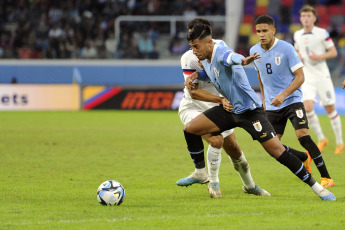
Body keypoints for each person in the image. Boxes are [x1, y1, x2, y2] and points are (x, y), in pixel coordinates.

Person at [184, 20, 335, 200]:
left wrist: (243, 60)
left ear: (209, 43)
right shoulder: (204, 57)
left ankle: (318, 187)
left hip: (250, 112)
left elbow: (231, 58)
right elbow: (210, 70)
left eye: (195, 47)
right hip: (230, 108)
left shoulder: (221, 51)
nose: (194, 51)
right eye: (192, 47)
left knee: (278, 152)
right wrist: (196, 74)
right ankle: (201, 172)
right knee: (191, 129)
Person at [177, 19, 270, 198]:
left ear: (207, 37)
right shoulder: (188, 58)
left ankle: (250, 185)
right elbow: (194, 93)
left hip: (218, 104)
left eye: (196, 39)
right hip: (194, 106)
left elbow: (230, 60)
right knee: (216, 140)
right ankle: (212, 183)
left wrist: (241, 62)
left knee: (233, 148)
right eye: (191, 40)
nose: (193, 45)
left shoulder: (219, 48)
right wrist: (219, 99)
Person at [250, 15, 334, 188]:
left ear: (273, 31)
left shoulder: (286, 49)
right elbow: (260, 74)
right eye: (258, 31)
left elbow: (300, 77)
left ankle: (326, 177)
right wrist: (265, 99)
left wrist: (283, 94)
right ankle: (303, 158)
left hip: (292, 100)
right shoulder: (254, 51)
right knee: (273, 146)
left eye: (265, 30)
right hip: (273, 105)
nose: (261, 34)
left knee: (302, 135)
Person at [294, 5, 344, 154]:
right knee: (307, 108)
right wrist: (298, 56)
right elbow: (296, 50)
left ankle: (340, 142)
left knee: (330, 108)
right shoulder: (297, 34)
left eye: (309, 16)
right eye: (303, 16)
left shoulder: (322, 33)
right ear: (301, 18)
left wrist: (319, 56)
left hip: (322, 76)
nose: (306, 19)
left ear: (314, 18)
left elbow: (333, 52)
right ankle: (322, 138)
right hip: (307, 77)